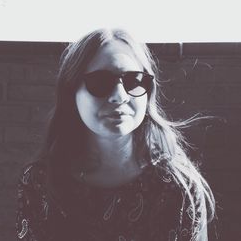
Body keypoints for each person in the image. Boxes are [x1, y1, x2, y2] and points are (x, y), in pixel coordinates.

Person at [16, 28, 215, 241]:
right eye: (100, 81)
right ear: (70, 91)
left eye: (134, 80)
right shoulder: (40, 183)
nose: (119, 96)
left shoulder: (176, 186)